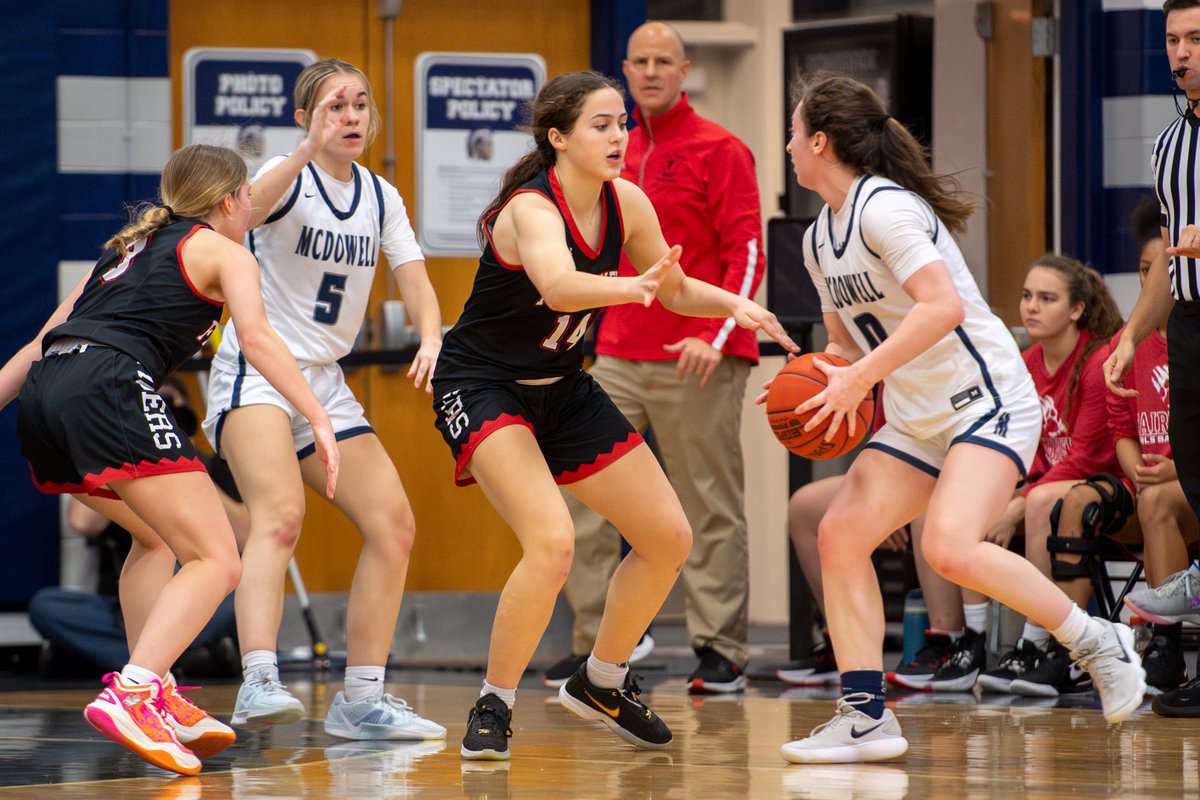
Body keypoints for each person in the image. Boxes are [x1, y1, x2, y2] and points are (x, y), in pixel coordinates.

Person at [775, 72, 1144, 765]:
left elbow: (940, 306)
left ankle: (1098, 640)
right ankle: (864, 717)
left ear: (819, 140)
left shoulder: (887, 209)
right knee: (838, 534)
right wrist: (821, 383)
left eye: (794, 130)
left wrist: (859, 378)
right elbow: (845, 343)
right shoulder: (818, 239)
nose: (788, 144)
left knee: (947, 545)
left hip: (987, 398)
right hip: (917, 415)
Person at [430, 71, 797, 761]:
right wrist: (630, 288)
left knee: (667, 536)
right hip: (483, 385)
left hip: (563, 388)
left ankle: (601, 680)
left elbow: (678, 287)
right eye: (600, 124)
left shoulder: (626, 201)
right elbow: (561, 287)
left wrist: (733, 307)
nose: (617, 136)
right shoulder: (530, 210)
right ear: (558, 138)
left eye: (621, 124)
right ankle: (494, 703)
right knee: (554, 542)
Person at [0, 143, 340, 776]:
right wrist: (316, 415)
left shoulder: (120, 251)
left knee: (155, 541)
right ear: (231, 201)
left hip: (49, 392)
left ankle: (153, 691)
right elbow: (260, 340)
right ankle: (132, 692)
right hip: (110, 385)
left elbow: (41, 340)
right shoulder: (227, 250)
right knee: (218, 558)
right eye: (248, 200)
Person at [202, 58, 446, 742]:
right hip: (257, 370)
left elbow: (416, 280)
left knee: (394, 525)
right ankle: (257, 682)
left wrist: (429, 335)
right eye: (335, 106)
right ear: (305, 118)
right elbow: (241, 208)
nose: (352, 118)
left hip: (326, 380)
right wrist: (304, 150)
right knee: (279, 517)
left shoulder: (380, 195)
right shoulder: (286, 176)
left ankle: (361, 698)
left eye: (361, 106)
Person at [546, 21, 763, 694]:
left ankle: (719, 648)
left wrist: (718, 336)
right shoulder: (614, 148)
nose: (649, 71)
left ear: (684, 69)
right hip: (613, 353)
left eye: (662, 61)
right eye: (638, 61)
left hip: (696, 355)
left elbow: (747, 251)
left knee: (707, 503)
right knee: (583, 497)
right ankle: (601, 644)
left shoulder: (720, 149)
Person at [959, 255, 1125, 699]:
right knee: (963, 500)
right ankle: (968, 641)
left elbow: (1088, 457)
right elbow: (1022, 446)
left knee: (1037, 501)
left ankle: (1035, 641)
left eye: (1047, 299)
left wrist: (1017, 502)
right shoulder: (1025, 362)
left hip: (1106, 487)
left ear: (1076, 310)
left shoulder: (1096, 361)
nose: (1031, 307)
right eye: (1027, 296)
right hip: (1048, 484)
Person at [1106, 0, 1200, 717]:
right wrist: (1134, 335)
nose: (1181, 52)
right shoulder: (1170, 146)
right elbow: (1170, 265)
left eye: (1196, 37)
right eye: (1172, 39)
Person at [28, 378, 241, 679]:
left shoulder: (211, 466)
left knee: (237, 598)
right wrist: (125, 466)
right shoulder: (121, 463)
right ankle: (164, 661)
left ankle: (134, 663)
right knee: (47, 605)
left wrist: (188, 470)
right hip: (124, 605)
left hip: (198, 600)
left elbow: (246, 531)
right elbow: (82, 522)